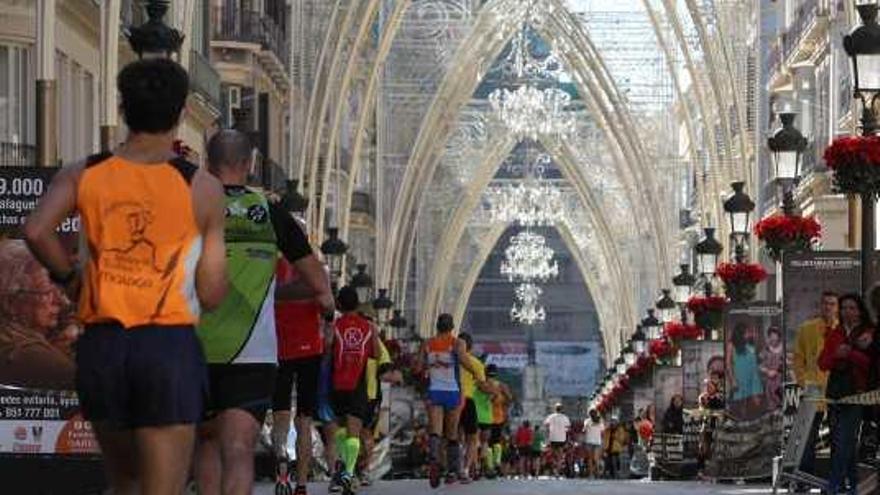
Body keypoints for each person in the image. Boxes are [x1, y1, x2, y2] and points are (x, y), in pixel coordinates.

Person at [24, 58, 229, 495]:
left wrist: (69, 277)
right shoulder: (202, 188)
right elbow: (212, 293)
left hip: (103, 344)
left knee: (124, 483)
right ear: (179, 114)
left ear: (122, 108)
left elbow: (36, 229)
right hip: (167, 346)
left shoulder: (84, 173)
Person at [192, 130, 332, 495]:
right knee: (238, 449)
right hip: (252, 353)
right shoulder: (273, 214)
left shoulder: (190, 205)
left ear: (208, 163)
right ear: (249, 165)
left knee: (206, 443)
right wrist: (273, 292)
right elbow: (319, 285)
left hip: (193, 345)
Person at [270, 244, 334, 495]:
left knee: (281, 415)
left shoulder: (272, 269)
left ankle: (282, 467)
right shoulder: (314, 272)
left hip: (280, 348)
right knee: (305, 420)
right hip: (310, 351)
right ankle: (302, 484)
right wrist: (328, 322)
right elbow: (328, 305)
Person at [326, 286, 380, 495]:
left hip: (337, 383)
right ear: (357, 304)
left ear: (339, 304)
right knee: (354, 432)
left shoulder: (335, 325)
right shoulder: (369, 327)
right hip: (358, 383)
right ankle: (349, 473)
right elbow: (375, 353)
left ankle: (341, 473)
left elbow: (327, 348)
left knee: (340, 429)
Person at [0, 240, 75, 389]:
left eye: (60, 290)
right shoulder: (34, 358)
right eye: (47, 292)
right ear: (11, 303)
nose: (62, 302)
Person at [819, 293, 873, 495]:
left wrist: (851, 354)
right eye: (844, 308)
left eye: (852, 308)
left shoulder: (869, 332)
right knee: (841, 441)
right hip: (835, 392)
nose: (847, 311)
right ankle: (853, 483)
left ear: (860, 311)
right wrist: (836, 355)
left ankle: (832, 485)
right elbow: (822, 363)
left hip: (858, 393)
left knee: (845, 439)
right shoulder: (836, 332)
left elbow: (871, 365)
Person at [419, 313, 479, 486]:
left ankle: (434, 459)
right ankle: (452, 470)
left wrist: (429, 367)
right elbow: (464, 359)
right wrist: (474, 372)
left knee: (435, 431)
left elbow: (417, 366)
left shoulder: (427, 344)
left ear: (437, 326)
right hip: (452, 391)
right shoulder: (457, 343)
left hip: (434, 390)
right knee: (452, 433)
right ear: (452, 327)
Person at [792, 291, 837, 486]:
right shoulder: (807, 329)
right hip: (814, 391)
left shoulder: (843, 330)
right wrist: (804, 382)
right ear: (820, 306)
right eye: (825, 303)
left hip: (836, 391)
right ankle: (803, 480)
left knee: (837, 438)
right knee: (807, 438)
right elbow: (797, 359)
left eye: (832, 304)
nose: (828, 307)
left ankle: (834, 481)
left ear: (837, 307)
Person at [456, 332, 488, 482]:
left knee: (453, 436)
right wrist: (494, 391)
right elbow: (482, 385)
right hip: (467, 401)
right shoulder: (475, 363)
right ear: (471, 346)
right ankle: (465, 470)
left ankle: (452, 468)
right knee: (472, 438)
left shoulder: (451, 360)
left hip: (450, 400)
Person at [726, 321, 763, 416]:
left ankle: (756, 423)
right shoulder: (732, 345)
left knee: (757, 402)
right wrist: (732, 380)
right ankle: (742, 425)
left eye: (749, 332)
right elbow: (728, 364)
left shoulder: (751, 343)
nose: (748, 334)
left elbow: (756, 359)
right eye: (746, 333)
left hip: (753, 377)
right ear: (740, 334)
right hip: (739, 377)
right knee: (741, 404)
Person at [759, 326, 784, 410]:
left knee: (780, 401)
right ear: (769, 337)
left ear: (779, 338)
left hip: (781, 381)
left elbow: (787, 363)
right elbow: (759, 365)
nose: (773, 341)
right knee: (771, 403)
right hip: (769, 382)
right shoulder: (765, 349)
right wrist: (767, 371)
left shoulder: (783, 349)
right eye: (771, 339)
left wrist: (777, 371)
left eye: (775, 339)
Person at [543, 403, 571, 476]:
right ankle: (558, 471)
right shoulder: (565, 417)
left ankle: (555, 467)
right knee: (560, 456)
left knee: (552, 455)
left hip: (553, 438)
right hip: (561, 438)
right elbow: (568, 427)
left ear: (555, 409)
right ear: (561, 409)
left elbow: (546, 424)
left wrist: (550, 430)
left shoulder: (551, 416)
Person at [582, 409, 604, 478]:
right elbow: (602, 431)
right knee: (594, 458)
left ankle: (593, 473)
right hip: (594, 442)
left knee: (592, 459)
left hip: (592, 442)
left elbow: (584, 430)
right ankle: (594, 473)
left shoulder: (588, 421)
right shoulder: (597, 421)